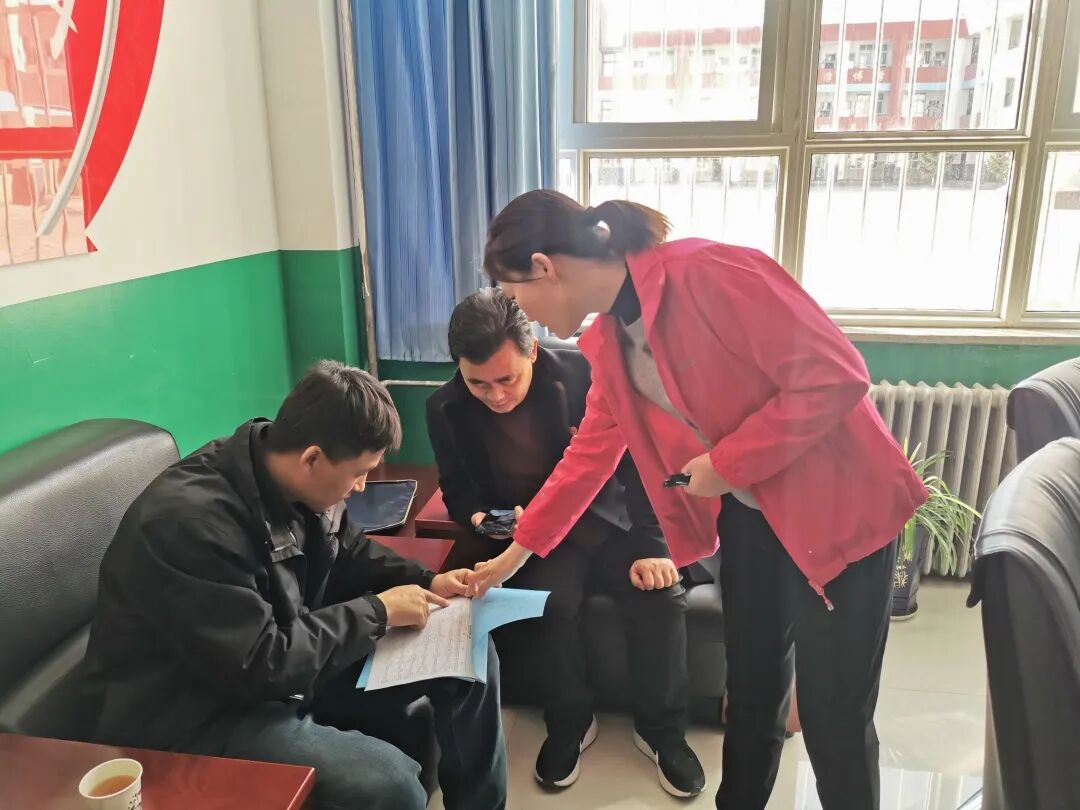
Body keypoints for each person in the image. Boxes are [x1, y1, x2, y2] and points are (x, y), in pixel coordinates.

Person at [465, 190, 929, 810]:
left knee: (833, 720)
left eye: (518, 296)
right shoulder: (610, 340)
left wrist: (724, 465)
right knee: (752, 696)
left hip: (841, 512)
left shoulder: (711, 273)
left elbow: (836, 375)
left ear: (545, 267)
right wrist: (510, 558)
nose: (528, 316)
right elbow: (587, 458)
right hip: (753, 519)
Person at [77, 361, 507, 810]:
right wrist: (378, 612)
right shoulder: (190, 524)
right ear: (312, 459)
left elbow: (349, 550)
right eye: (358, 473)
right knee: (389, 784)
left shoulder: (293, 478)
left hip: (290, 665)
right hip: (200, 714)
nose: (362, 487)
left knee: (471, 654)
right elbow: (260, 663)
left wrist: (427, 580)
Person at [426, 288, 706, 797]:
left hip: (614, 521)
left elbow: (642, 462)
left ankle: (662, 732)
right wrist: (485, 521)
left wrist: (653, 543)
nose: (495, 395)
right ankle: (570, 724)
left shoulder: (589, 375)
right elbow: (457, 488)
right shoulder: (444, 407)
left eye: (506, 379)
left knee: (661, 598)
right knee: (551, 605)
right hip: (536, 538)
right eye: (478, 383)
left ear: (532, 350)